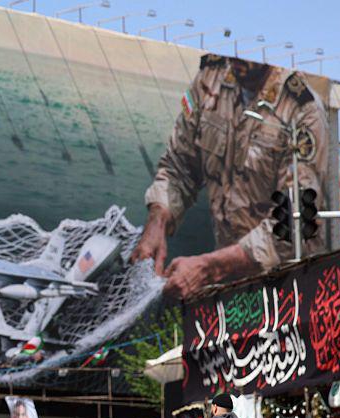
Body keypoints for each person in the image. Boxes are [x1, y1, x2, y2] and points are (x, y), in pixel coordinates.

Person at [131, 55, 329, 299]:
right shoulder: (210, 81)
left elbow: (293, 224)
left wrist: (208, 268)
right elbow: (179, 166)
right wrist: (157, 221)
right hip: (229, 289)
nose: (234, 58)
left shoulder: (302, 110)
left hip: (289, 292)